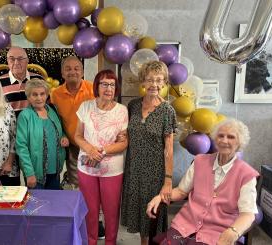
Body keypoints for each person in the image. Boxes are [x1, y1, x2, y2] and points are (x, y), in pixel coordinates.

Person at [146, 118, 259, 245]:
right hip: (185, 225)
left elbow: (248, 214)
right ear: (215, 139)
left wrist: (233, 231)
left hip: (219, 233)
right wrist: (160, 197)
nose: (224, 140)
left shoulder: (246, 174)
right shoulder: (200, 161)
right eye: (220, 136)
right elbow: (181, 191)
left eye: (231, 137)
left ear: (239, 143)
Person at [121, 60, 177, 245]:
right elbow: (125, 135)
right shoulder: (133, 106)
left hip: (154, 172)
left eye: (158, 80)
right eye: (149, 80)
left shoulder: (167, 110)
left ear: (164, 83)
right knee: (138, 214)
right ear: (142, 82)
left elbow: (169, 149)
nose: (154, 84)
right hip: (134, 168)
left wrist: (168, 180)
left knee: (151, 215)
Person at [75, 69, 128, 245]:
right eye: (104, 84)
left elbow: (123, 142)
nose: (108, 88)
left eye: (112, 85)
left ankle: (110, 242)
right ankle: (90, 241)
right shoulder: (85, 107)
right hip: (87, 166)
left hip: (112, 170)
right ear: (97, 86)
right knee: (90, 210)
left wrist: (103, 151)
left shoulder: (122, 111)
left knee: (111, 211)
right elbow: (78, 136)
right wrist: (90, 149)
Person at [50, 55, 95, 188]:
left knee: (92, 180)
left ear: (82, 72)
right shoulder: (55, 94)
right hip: (72, 146)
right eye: (68, 69)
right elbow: (55, 120)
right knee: (76, 181)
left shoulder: (93, 89)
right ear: (62, 73)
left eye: (76, 69)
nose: (72, 72)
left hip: (92, 144)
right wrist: (63, 136)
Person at [15, 78, 69, 189]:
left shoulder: (52, 110)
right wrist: (29, 173)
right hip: (35, 174)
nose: (39, 98)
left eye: (42, 94)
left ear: (47, 95)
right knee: (37, 205)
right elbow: (21, 147)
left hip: (55, 171)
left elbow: (60, 131)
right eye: (34, 95)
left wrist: (64, 137)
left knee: (54, 203)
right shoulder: (25, 116)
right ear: (28, 97)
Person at [0, 46, 43, 117]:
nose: (16, 62)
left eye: (20, 59)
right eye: (12, 59)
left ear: (27, 61)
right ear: (7, 61)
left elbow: (46, 106)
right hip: (10, 127)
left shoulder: (39, 79)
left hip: (34, 126)